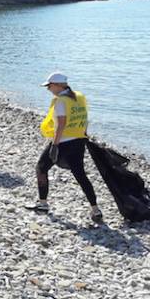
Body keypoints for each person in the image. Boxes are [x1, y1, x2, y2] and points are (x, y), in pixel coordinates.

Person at [27, 72, 103, 223]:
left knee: (41, 168)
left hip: (63, 142)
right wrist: (84, 135)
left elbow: (61, 125)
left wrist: (54, 145)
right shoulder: (80, 97)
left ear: (58, 85)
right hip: (79, 141)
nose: (48, 89)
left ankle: (43, 204)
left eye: (49, 86)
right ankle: (95, 209)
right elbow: (84, 118)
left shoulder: (61, 101)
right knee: (80, 175)